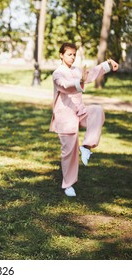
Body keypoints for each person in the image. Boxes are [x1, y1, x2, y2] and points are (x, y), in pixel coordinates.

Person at [49, 42, 118, 197]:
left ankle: (87, 146)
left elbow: (92, 73)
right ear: (61, 55)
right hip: (65, 117)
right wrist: (80, 81)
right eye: (69, 54)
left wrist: (108, 64)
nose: (72, 57)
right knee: (69, 152)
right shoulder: (57, 74)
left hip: (80, 112)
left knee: (97, 110)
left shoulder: (76, 70)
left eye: (74, 54)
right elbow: (65, 86)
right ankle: (68, 185)